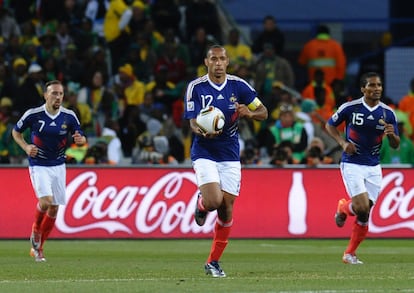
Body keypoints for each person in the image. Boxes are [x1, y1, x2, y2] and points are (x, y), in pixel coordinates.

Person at [184, 45, 268, 277]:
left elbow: (264, 112)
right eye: (214, 59)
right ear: (206, 62)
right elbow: (192, 121)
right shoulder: (196, 88)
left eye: (222, 59)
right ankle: (201, 204)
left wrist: (249, 113)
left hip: (230, 155)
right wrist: (202, 131)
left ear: (227, 62)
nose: (218, 63)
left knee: (226, 209)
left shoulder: (239, 86)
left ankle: (213, 261)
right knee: (213, 201)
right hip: (204, 151)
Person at [325, 72, 400, 264]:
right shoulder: (351, 108)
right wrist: (342, 143)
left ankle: (344, 214)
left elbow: (395, 145)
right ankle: (348, 254)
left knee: (365, 212)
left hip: (374, 166)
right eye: (372, 85)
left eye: (379, 85)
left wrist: (391, 135)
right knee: (361, 207)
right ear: (363, 89)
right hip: (352, 163)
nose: (377, 89)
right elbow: (330, 125)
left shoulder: (387, 113)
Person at [12, 80, 87, 262]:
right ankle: (36, 229)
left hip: (59, 165)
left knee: (54, 208)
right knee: (46, 202)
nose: (58, 97)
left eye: (60, 94)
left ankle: (39, 249)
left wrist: (80, 139)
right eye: (54, 93)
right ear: (45, 95)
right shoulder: (33, 114)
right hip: (39, 164)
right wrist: (26, 147)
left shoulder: (69, 116)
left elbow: (80, 135)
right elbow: (16, 132)